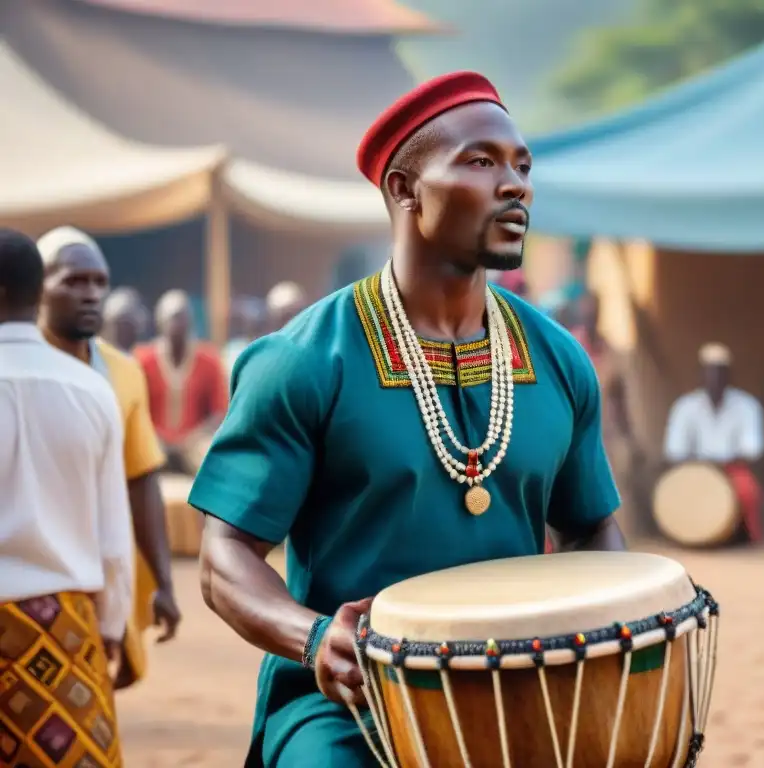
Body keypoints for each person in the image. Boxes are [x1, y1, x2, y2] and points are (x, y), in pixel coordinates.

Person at [189, 71, 625, 766]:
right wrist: (312, 637)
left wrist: (611, 630)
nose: (515, 185)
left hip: (522, 694)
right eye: (481, 161)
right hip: (350, 706)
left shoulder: (559, 361)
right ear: (403, 188)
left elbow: (592, 527)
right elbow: (223, 556)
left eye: (522, 165)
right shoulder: (305, 360)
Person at [0, 228, 132, 768]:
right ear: (38, 293)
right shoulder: (91, 389)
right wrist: (111, 630)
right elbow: (113, 542)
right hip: (66, 635)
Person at [36, 226, 181, 691]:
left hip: (102, 570)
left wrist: (163, 580)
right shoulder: (17, 372)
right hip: (33, 576)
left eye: (99, 282)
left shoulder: (123, 372)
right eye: (74, 281)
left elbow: (141, 478)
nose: (91, 294)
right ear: (36, 288)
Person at [662, 342, 764, 541]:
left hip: (732, 470)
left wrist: (720, 466)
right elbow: (674, 451)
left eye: (720, 373)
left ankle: (746, 536)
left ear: (728, 376)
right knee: (672, 492)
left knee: (748, 490)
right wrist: (702, 469)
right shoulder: (685, 407)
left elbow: (752, 449)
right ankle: (686, 536)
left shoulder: (747, 405)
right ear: (700, 375)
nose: (714, 379)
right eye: (709, 373)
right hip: (694, 469)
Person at [135, 289, 229, 475]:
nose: (176, 324)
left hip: (195, 441)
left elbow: (220, 411)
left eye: (181, 317)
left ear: (191, 321)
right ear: (159, 322)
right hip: (154, 438)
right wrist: (155, 434)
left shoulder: (208, 359)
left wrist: (194, 436)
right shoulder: (143, 359)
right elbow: (136, 408)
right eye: (171, 318)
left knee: (212, 461)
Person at [102, 286, 147, 352]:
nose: (123, 331)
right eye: (119, 324)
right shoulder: (97, 353)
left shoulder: (140, 357)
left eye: (127, 325)